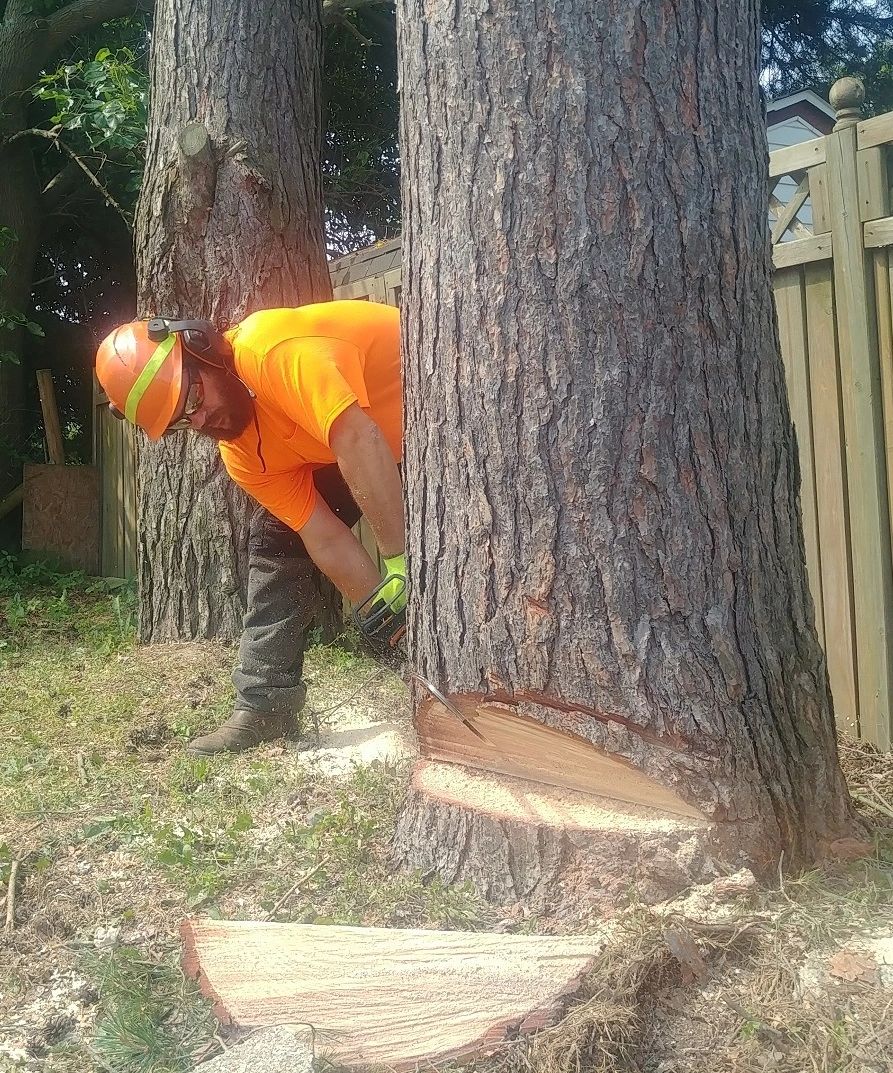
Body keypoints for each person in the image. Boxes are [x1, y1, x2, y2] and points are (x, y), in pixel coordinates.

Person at [94, 301, 406, 755]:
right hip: (369, 443)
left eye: (195, 399)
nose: (200, 421)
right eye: (183, 421)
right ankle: (267, 704)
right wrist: (384, 609)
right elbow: (324, 535)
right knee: (278, 539)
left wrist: (399, 560)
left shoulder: (272, 352)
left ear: (205, 350)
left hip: (440, 410)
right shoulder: (243, 455)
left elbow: (358, 438)